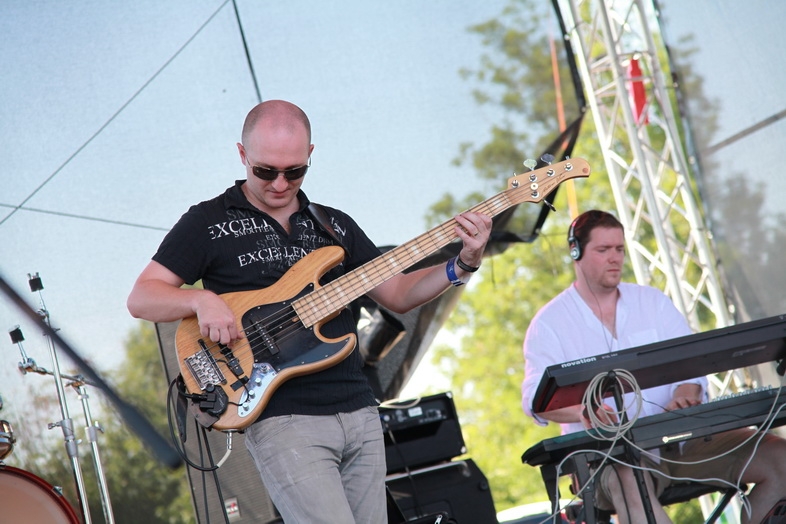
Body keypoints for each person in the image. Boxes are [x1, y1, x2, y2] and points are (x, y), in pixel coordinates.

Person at [127, 99, 492, 523]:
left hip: (359, 409)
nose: (280, 184)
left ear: (311, 156)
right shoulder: (208, 222)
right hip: (284, 420)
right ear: (242, 154)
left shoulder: (333, 224)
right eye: (266, 171)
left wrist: (463, 263)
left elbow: (397, 293)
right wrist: (199, 299)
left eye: (295, 171)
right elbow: (142, 297)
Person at [520, 209, 786, 524]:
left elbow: (693, 366)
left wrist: (685, 394)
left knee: (779, 456)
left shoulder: (652, 302)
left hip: (684, 442)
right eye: (603, 250)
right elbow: (535, 400)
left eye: (619, 249)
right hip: (607, 458)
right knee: (630, 484)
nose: (614, 258)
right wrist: (584, 411)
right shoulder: (550, 322)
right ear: (575, 252)